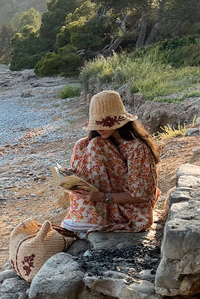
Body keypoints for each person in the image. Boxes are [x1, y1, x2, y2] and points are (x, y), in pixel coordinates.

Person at [62, 89, 160, 234]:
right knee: (81, 144)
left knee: (96, 144)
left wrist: (101, 197)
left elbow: (141, 195)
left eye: (104, 124)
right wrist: (74, 177)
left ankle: (91, 220)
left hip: (131, 210)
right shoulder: (99, 141)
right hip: (105, 203)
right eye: (96, 124)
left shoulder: (137, 148)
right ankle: (85, 215)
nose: (99, 129)